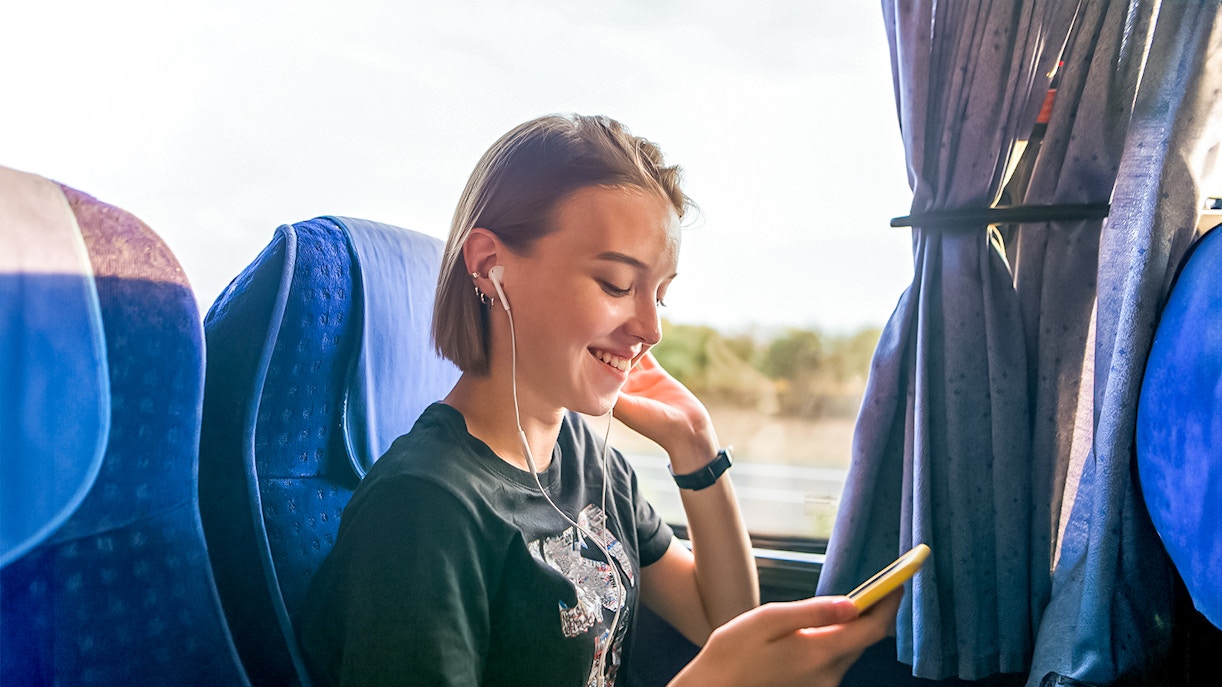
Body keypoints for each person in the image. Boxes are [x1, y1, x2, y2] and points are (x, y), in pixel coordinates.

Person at [297, 113, 899, 687]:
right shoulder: (424, 509)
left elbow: (721, 619)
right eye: (617, 284)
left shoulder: (585, 456)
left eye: (658, 295)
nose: (651, 328)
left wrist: (694, 441)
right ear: (490, 267)